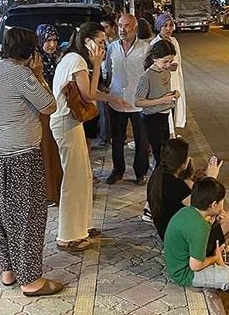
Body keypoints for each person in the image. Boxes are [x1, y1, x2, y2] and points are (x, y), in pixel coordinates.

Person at [0, 28, 64, 296]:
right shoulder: (23, 75)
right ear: (31, 52)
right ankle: (31, 280)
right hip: (20, 155)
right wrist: (38, 74)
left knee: (0, 214)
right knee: (28, 217)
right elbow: (49, 106)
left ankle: (9, 270)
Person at [50, 22, 129, 251]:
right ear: (87, 41)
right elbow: (89, 94)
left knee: (83, 175)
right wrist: (96, 65)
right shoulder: (76, 60)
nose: (103, 46)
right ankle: (68, 236)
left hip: (71, 122)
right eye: (101, 42)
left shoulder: (73, 58)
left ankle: (82, 225)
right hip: (65, 122)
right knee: (74, 178)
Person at [163, 177, 229, 298]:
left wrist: (216, 217)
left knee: (223, 266)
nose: (223, 204)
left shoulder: (188, 211)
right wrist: (215, 258)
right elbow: (195, 266)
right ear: (213, 204)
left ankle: (221, 267)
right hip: (184, 273)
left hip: (178, 262)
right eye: (221, 201)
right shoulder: (200, 227)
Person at [147, 140, 229, 254]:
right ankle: (219, 250)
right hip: (185, 243)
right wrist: (212, 179)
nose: (189, 158)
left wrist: (200, 178)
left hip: (171, 234)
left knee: (220, 216)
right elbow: (206, 208)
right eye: (187, 156)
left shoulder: (159, 175)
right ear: (181, 161)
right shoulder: (176, 186)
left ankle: (222, 247)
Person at [104, 14, 151, 186]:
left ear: (135, 27)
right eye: (120, 26)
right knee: (117, 139)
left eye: (127, 26)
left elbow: (150, 73)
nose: (122, 29)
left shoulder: (146, 48)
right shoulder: (112, 48)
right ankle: (118, 171)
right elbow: (108, 71)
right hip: (117, 100)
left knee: (142, 140)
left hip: (138, 102)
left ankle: (141, 172)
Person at [135, 40, 179, 168]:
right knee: (160, 156)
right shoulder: (147, 76)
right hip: (152, 118)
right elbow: (138, 101)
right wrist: (162, 100)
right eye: (165, 61)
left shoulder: (166, 72)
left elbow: (161, 92)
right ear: (154, 58)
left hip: (165, 115)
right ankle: (158, 178)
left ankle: (162, 176)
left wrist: (174, 93)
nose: (168, 65)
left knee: (165, 155)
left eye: (170, 61)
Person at [36, 24, 63, 206]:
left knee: (58, 151)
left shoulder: (59, 58)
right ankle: (48, 193)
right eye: (47, 41)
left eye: (54, 40)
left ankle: (59, 189)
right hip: (43, 113)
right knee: (46, 151)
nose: (52, 45)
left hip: (60, 109)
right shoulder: (36, 61)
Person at [151, 13, 187, 135]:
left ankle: (171, 136)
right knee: (164, 115)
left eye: (171, 25)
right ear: (158, 27)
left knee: (174, 109)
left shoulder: (174, 41)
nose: (168, 29)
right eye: (164, 25)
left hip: (175, 82)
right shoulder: (155, 44)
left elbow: (178, 64)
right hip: (162, 84)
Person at [93, 15, 119, 149]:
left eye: (106, 27)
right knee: (103, 110)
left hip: (113, 80)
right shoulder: (103, 42)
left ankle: (107, 137)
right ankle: (105, 136)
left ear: (113, 27)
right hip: (102, 78)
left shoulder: (118, 43)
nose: (104, 30)